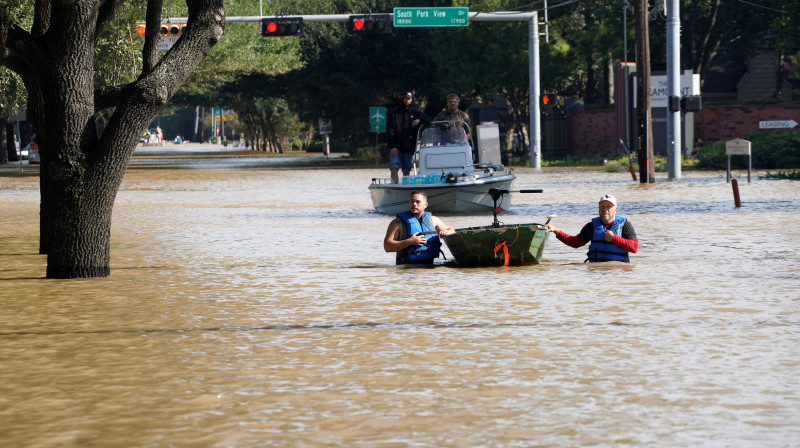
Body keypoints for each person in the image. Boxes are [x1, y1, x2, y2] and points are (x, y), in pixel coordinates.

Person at [544, 194, 639, 262]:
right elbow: (575, 242)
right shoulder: (592, 226)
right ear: (598, 208)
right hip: (597, 271)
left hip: (619, 271)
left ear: (615, 210)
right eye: (602, 206)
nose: (605, 210)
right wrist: (556, 231)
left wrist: (614, 238)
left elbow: (634, 247)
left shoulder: (625, 225)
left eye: (608, 206)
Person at [384, 190, 455, 265]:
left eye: (418, 202)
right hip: (406, 270)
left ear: (426, 204)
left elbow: (451, 229)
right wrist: (410, 241)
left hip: (430, 270)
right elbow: (387, 246)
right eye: (412, 201)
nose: (414, 204)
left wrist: (447, 232)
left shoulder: (434, 220)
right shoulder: (397, 223)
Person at [387, 91, 431, 184]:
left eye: (409, 98)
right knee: (394, 168)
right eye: (405, 98)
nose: (407, 100)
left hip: (409, 147)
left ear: (412, 99)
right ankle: (395, 186)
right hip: (396, 147)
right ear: (402, 99)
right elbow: (390, 130)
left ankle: (405, 186)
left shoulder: (416, 112)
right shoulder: (394, 113)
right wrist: (392, 146)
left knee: (406, 170)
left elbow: (428, 120)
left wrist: (419, 120)